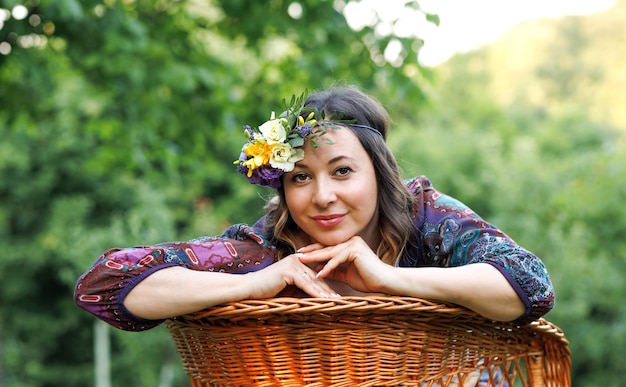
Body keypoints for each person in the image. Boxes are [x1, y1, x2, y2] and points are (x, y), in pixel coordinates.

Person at [74, 86, 554, 333]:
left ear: (379, 172)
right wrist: (259, 281)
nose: (321, 196)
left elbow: (529, 285)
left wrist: (387, 280)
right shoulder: (268, 246)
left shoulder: (424, 216)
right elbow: (105, 285)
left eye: (342, 171)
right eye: (300, 177)